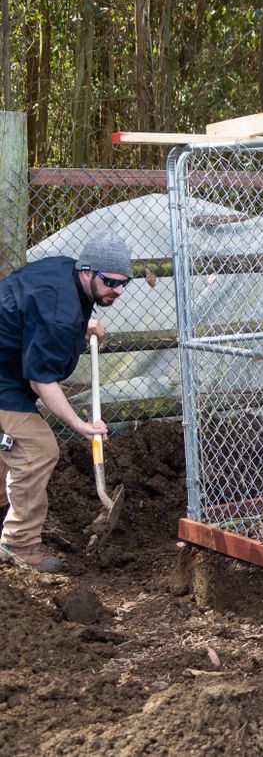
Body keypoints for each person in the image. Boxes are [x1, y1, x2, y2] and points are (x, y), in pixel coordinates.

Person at [0, 231, 131, 572]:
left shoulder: (63, 272)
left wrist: (82, 324)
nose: (117, 291)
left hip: (9, 369)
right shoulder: (60, 311)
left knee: (9, 445)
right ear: (87, 272)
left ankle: (5, 511)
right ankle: (19, 543)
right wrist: (80, 425)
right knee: (38, 449)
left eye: (123, 284)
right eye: (111, 283)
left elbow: (36, 310)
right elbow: (41, 379)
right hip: (7, 381)